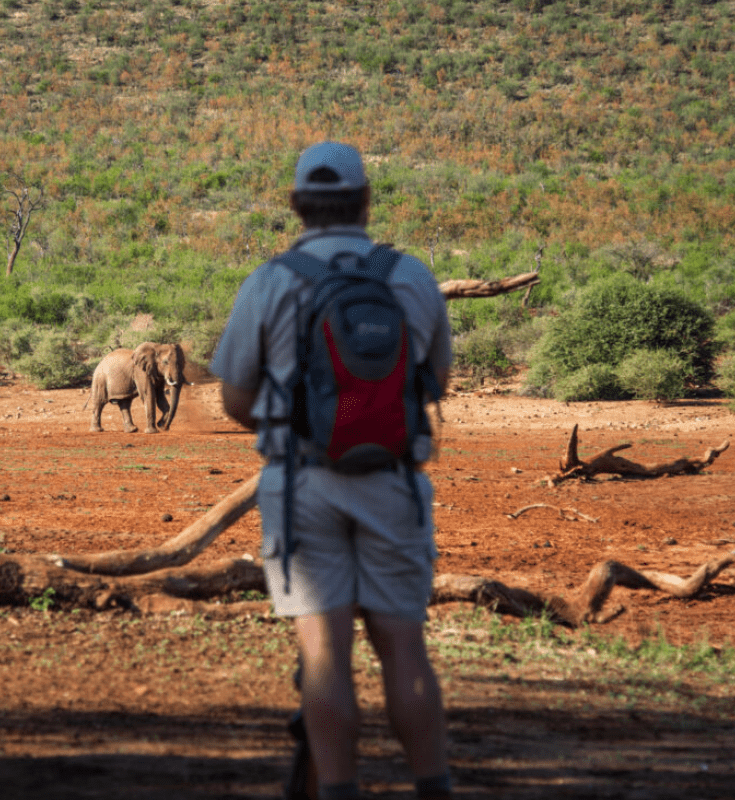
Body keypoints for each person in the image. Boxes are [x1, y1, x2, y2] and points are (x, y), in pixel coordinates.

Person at [210, 141, 454, 800]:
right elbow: (435, 381)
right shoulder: (411, 277)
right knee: (404, 645)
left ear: (295, 205)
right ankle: (434, 787)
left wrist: (288, 426)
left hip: (302, 484)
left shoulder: (271, 280)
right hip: (395, 480)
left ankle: (339, 791)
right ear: (366, 201)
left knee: (324, 650)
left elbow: (234, 398)